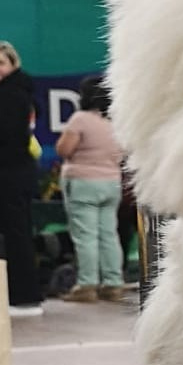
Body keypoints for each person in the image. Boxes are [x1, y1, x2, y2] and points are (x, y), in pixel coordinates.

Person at [0, 40, 42, 315]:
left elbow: (2, 133)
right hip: (15, 174)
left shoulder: (11, 95)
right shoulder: (18, 92)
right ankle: (21, 294)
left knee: (14, 235)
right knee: (17, 232)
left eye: (0, 62)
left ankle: (23, 296)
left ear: (13, 64)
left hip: (8, 175)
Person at [55, 76, 126, 303]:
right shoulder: (115, 123)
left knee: (86, 235)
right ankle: (113, 283)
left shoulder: (80, 119)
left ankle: (87, 284)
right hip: (112, 183)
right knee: (109, 234)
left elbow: (64, 149)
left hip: (84, 183)